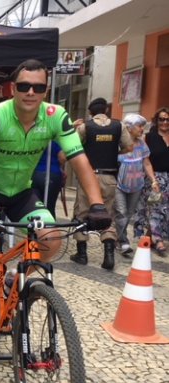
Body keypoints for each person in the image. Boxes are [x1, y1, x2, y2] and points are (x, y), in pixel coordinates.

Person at [0, 59, 111, 356]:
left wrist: (96, 204)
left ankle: (11, 281)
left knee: (51, 239)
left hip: (22, 193)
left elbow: (80, 160)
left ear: (46, 90)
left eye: (39, 87)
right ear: (13, 88)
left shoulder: (56, 116)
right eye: (24, 86)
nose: (31, 92)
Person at [69, 97, 132, 270]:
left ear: (90, 112)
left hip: (88, 177)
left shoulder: (85, 127)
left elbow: (73, 147)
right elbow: (129, 147)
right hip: (109, 176)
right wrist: (113, 152)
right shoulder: (119, 126)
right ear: (106, 110)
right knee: (108, 215)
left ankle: (82, 254)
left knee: (81, 213)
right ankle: (109, 256)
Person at [114, 114, 157, 258]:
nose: (142, 129)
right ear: (129, 128)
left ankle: (117, 239)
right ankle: (123, 241)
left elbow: (147, 163)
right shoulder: (118, 144)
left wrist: (153, 180)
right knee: (121, 212)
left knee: (128, 214)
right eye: (139, 126)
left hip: (137, 185)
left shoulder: (142, 144)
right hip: (119, 184)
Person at [133, 107, 169, 257]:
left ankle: (150, 236)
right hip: (154, 179)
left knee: (166, 211)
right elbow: (145, 160)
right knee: (155, 208)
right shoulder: (149, 137)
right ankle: (159, 240)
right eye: (161, 119)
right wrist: (152, 179)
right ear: (156, 120)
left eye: (167, 119)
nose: (164, 122)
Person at [31, 140, 66, 218]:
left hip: (35, 173)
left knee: (36, 205)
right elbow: (63, 157)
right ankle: (49, 227)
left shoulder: (35, 139)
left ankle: (35, 227)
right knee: (49, 206)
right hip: (52, 173)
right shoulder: (55, 140)